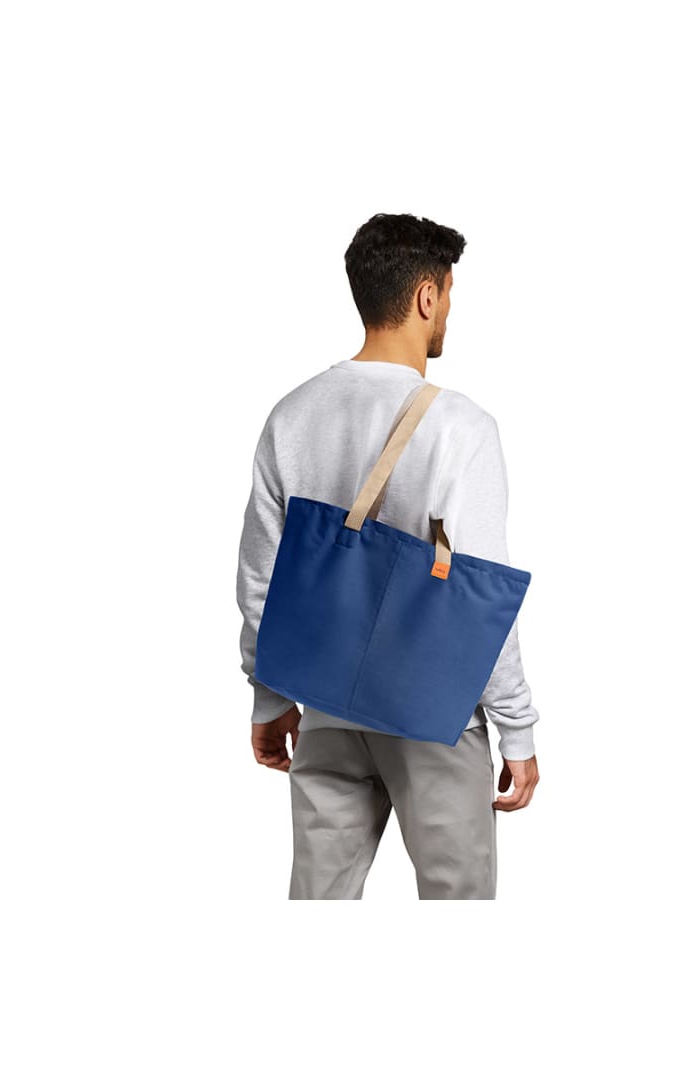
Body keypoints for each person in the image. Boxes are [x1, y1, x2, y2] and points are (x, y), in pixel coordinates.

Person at [236, 212, 540, 900]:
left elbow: (260, 578)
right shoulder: (460, 426)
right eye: (449, 295)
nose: (448, 312)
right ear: (428, 296)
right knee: (458, 906)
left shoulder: (292, 413)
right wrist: (517, 729)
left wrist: (269, 696)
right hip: (436, 717)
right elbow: (482, 598)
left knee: (319, 901)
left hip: (326, 706)